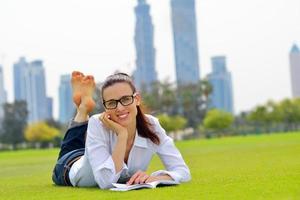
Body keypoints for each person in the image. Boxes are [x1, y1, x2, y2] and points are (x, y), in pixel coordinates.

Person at [52, 71, 191, 189]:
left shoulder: (152, 125)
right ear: (105, 107)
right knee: (69, 148)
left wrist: (155, 178)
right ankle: (82, 110)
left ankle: (83, 106)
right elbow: (106, 182)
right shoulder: (96, 123)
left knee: (85, 149)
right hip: (69, 165)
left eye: (125, 99)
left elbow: (183, 172)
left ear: (137, 99)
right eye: (112, 103)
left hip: (92, 152)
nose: (119, 108)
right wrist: (122, 135)